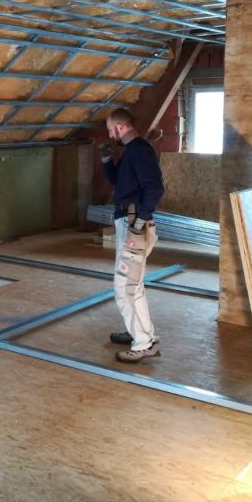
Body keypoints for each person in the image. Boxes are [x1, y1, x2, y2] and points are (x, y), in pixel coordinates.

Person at [100, 108, 165, 363]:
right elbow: (119, 181)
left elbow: (155, 188)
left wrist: (139, 221)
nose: (109, 134)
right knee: (134, 285)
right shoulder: (131, 152)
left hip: (134, 225)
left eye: (110, 129)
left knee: (124, 287)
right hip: (129, 222)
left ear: (120, 127)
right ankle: (140, 332)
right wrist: (107, 161)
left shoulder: (140, 151)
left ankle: (143, 344)